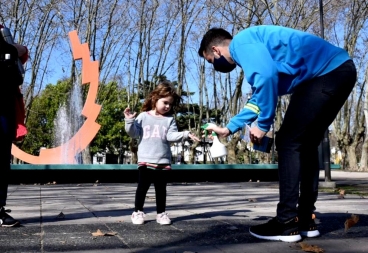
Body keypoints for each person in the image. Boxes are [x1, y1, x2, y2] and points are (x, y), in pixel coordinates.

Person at [198, 26, 356, 242]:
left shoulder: (240, 43)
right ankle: (304, 219)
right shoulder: (257, 49)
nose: (214, 66)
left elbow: (266, 77)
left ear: (215, 50)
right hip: (338, 72)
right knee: (306, 144)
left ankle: (286, 222)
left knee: (288, 142)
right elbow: (259, 97)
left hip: (325, 74)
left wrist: (263, 124)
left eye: (210, 61)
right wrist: (229, 128)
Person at [124, 81, 200, 225]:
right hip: (146, 159)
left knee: (161, 189)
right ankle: (137, 212)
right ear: (154, 98)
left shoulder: (169, 120)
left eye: (170, 104)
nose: (167, 106)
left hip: (163, 160)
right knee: (142, 187)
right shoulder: (143, 116)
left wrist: (185, 134)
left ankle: (161, 213)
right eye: (165, 102)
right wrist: (129, 121)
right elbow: (133, 134)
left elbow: (170, 136)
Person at [0, 0, 29, 227]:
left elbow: (21, 54)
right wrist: (12, 50)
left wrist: (12, 50)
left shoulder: (2, 30)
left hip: (3, 102)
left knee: (2, 158)